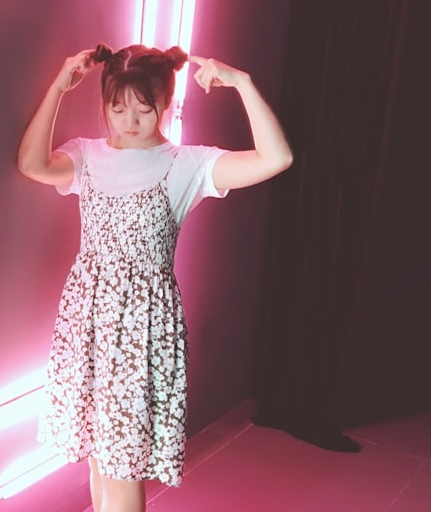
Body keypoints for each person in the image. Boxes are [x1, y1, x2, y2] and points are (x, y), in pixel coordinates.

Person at [17, 43, 293, 512]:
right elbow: (32, 164)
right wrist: (59, 87)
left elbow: (275, 159)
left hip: (141, 333)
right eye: (117, 107)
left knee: (123, 470)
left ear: (165, 104)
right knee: (100, 464)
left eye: (142, 108)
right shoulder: (87, 155)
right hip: (87, 323)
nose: (128, 120)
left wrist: (242, 83)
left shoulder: (186, 165)